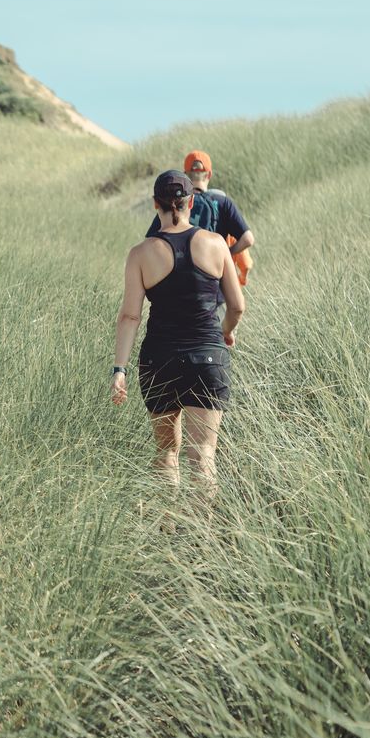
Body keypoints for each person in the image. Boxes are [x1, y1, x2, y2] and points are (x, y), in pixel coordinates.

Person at [112, 169, 245, 504]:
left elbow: (130, 316)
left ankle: (168, 531)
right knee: (203, 455)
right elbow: (237, 306)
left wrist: (120, 369)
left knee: (167, 453)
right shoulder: (216, 244)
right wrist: (225, 333)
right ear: (191, 202)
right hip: (208, 358)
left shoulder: (140, 254)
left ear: (156, 204)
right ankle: (201, 544)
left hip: (160, 360)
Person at [146, 150, 255, 289]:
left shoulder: (177, 203)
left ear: (185, 176)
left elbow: (151, 241)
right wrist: (226, 253)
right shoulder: (223, 202)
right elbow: (248, 239)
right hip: (214, 282)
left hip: (178, 282)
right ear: (209, 174)